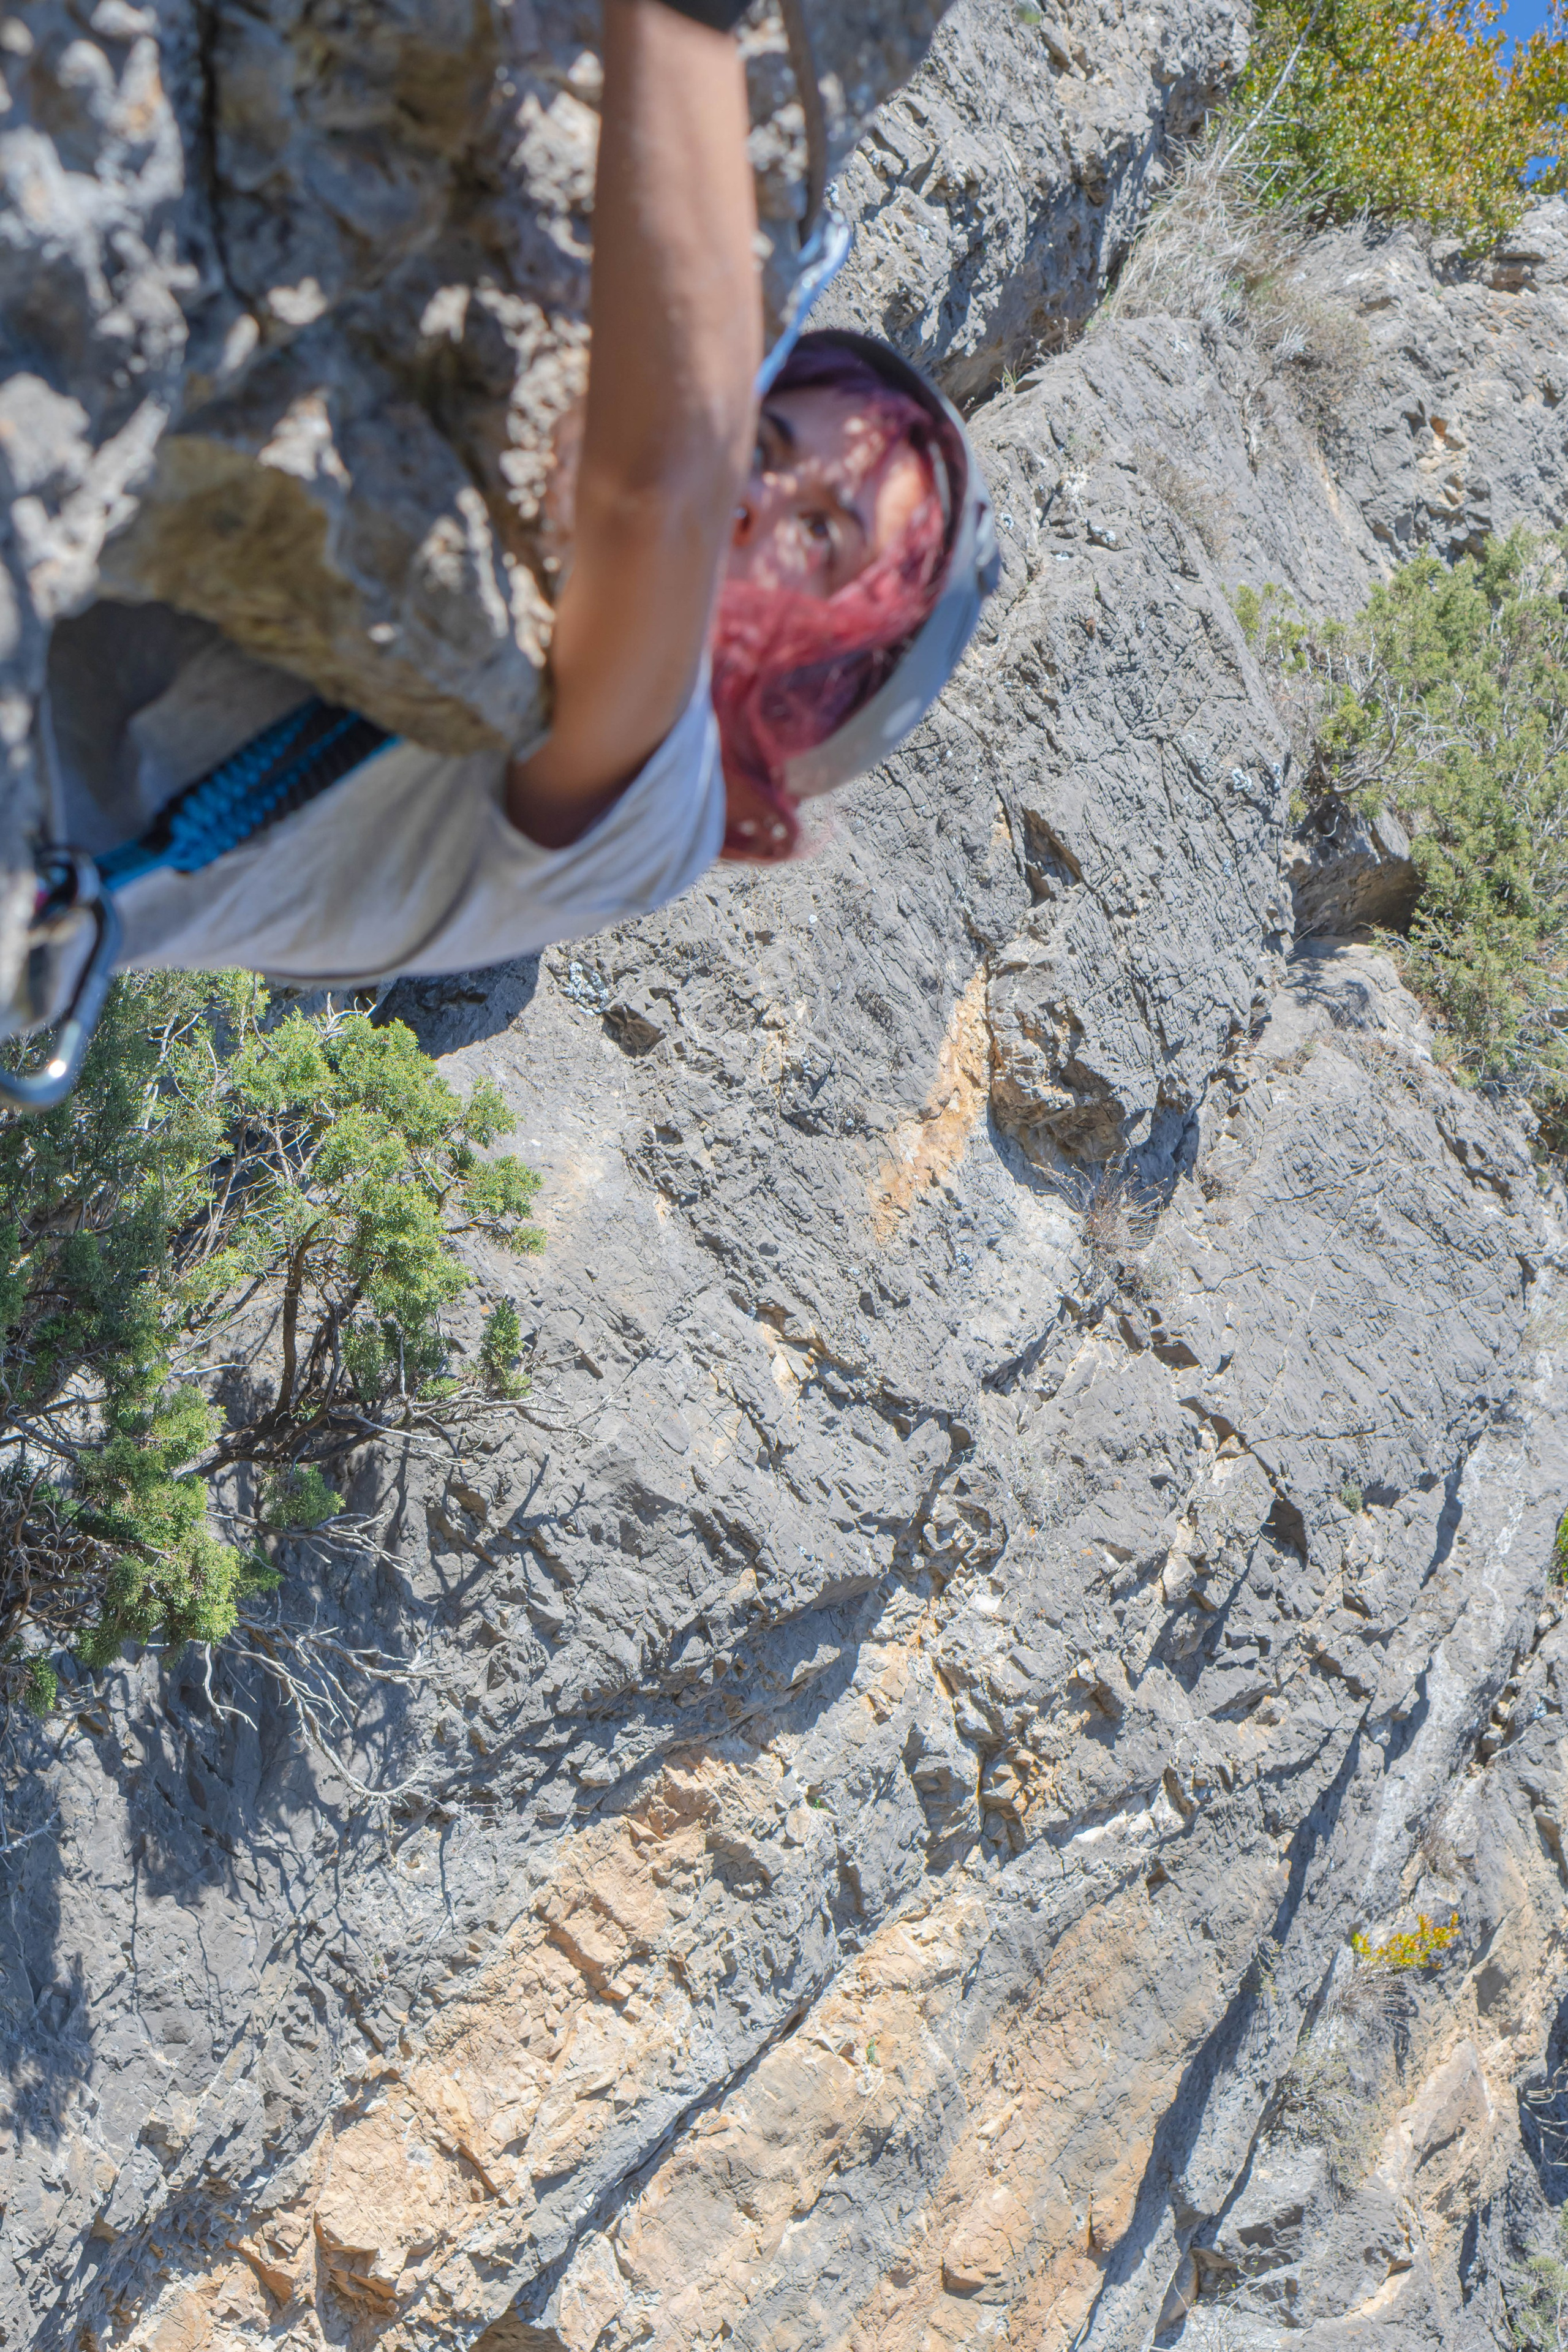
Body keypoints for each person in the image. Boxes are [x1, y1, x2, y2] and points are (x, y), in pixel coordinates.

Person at [20, 0, 995, 1075]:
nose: (754, 493)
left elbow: (654, 489)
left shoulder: (649, 830)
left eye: (822, 538)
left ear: (820, 689)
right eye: (764, 441)